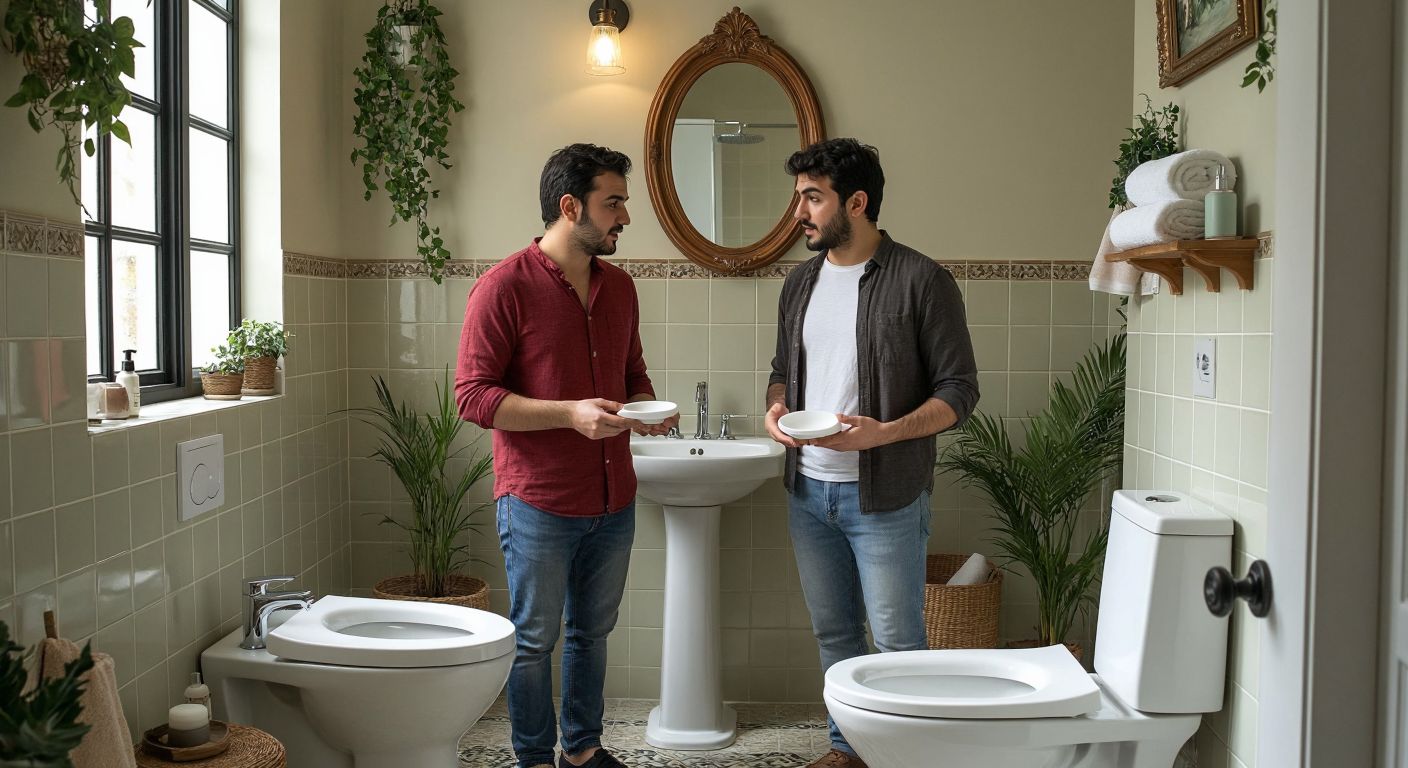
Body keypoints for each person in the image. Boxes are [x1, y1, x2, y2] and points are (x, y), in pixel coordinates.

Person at [456, 143, 677, 768]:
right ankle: (533, 759)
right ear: (570, 205)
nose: (625, 217)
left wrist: (645, 409)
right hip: (539, 501)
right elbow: (473, 398)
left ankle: (582, 751)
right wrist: (568, 412)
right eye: (614, 203)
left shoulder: (621, 288)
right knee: (533, 641)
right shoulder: (503, 288)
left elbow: (634, 372)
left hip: (614, 497)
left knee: (591, 636)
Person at [764, 138, 979, 768]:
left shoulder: (921, 279)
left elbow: (960, 392)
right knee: (835, 636)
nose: (798, 212)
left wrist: (882, 433)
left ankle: (903, 756)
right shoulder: (800, 283)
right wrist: (774, 409)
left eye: (811, 198)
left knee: (896, 641)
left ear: (856, 203)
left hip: (884, 494)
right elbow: (782, 372)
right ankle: (848, 749)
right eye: (799, 196)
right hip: (808, 490)